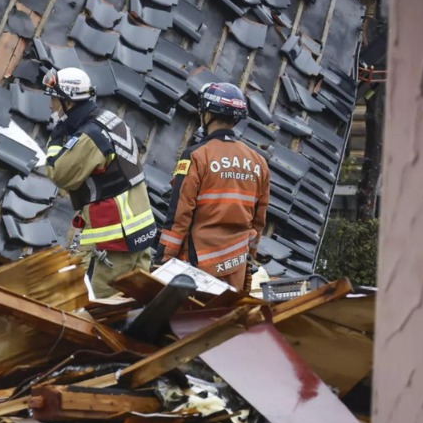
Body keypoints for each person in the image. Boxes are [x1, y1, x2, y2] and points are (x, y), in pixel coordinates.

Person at [42, 67, 157, 298]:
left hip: (111, 244)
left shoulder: (91, 135)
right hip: (139, 236)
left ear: (69, 103)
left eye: (54, 100)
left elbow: (58, 172)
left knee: (96, 310)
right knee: (132, 306)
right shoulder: (110, 121)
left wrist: (56, 138)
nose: (50, 106)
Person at [159, 82, 270, 291]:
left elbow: (178, 217)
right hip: (234, 269)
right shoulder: (259, 162)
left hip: (197, 269)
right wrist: (247, 260)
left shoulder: (196, 156)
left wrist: (162, 261)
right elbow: (258, 223)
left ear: (207, 115)